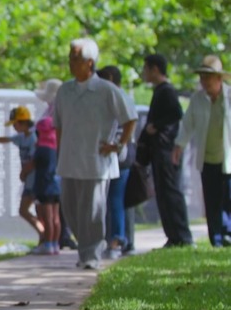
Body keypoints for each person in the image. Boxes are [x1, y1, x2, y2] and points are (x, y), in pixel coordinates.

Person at [53, 38, 137, 270]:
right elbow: (58, 124)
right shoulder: (64, 91)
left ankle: (90, 255)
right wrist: (60, 151)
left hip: (95, 160)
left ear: (90, 63)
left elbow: (130, 118)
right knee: (70, 210)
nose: (71, 62)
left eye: (76, 58)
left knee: (92, 212)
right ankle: (88, 247)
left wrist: (118, 144)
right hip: (69, 160)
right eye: (69, 57)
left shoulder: (106, 90)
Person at [173, 55, 231, 248]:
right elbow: (187, 124)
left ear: (219, 78)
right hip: (207, 158)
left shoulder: (229, 97)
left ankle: (228, 234)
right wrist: (179, 145)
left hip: (228, 159)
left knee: (228, 199)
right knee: (212, 201)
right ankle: (216, 239)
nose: (204, 81)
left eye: (208, 77)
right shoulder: (197, 100)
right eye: (202, 77)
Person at [140, 54, 194, 248]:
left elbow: (176, 114)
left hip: (166, 151)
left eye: (146, 68)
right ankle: (173, 236)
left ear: (155, 69)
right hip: (158, 151)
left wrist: (156, 126)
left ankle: (182, 236)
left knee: (171, 192)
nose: (144, 73)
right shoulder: (159, 91)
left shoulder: (167, 91)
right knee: (163, 193)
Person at [0, 105, 45, 247]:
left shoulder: (33, 137)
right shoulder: (21, 137)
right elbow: (5, 139)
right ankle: (44, 236)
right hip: (29, 179)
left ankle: (45, 236)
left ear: (22, 122)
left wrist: (23, 172)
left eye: (15, 124)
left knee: (27, 209)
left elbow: (35, 160)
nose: (14, 127)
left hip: (35, 179)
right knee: (31, 210)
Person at [96, 65, 136, 259]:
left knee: (115, 200)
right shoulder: (117, 97)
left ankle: (116, 241)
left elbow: (130, 122)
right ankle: (120, 240)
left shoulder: (118, 97)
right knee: (114, 201)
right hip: (113, 157)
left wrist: (117, 145)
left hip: (120, 159)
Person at [36, 77, 78, 250]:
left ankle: (56, 239)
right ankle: (57, 238)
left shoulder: (55, 115)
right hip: (58, 160)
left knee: (52, 205)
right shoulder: (54, 111)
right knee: (56, 205)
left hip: (55, 162)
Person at [31, 116, 61, 255]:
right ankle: (55, 243)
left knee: (47, 217)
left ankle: (48, 243)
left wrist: (24, 173)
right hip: (56, 185)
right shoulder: (56, 147)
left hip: (44, 185)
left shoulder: (42, 148)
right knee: (56, 217)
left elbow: (32, 164)